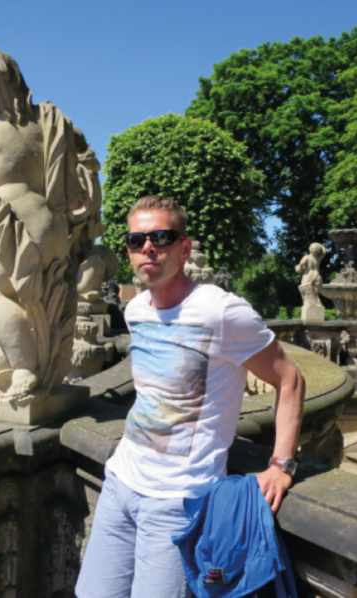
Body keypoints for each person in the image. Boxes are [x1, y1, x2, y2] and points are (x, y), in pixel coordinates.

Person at [76, 196, 304, 597]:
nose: (148, 248)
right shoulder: (136, 310)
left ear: (184, 248)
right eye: (136, 240)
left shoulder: (222, 312)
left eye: (161, 237)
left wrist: (280, 465)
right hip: (119, 484)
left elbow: (290, 379)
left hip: (177, 503)